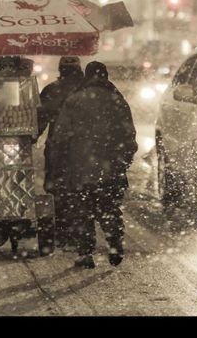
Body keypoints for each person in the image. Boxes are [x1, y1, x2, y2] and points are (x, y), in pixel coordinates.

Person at [53, 61, 137, 269]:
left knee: (83, 210)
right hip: (111, 168)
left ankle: (85, 253)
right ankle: (115, 244)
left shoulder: (74, 100)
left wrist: (62, 161)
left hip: (80, 168)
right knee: (109, 208)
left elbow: (61, 135)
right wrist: (123, 160)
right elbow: (129, 134)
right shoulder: (117, 100)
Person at [37, 56, 84, 248]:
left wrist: (33, 136)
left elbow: (41, 117)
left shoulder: (52, 90)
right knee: (81, 188)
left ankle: (62, 230)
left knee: (57, 188)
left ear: (61, 69)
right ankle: (79, 230)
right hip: (85, 149)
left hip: (58, 147)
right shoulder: (87, 90)